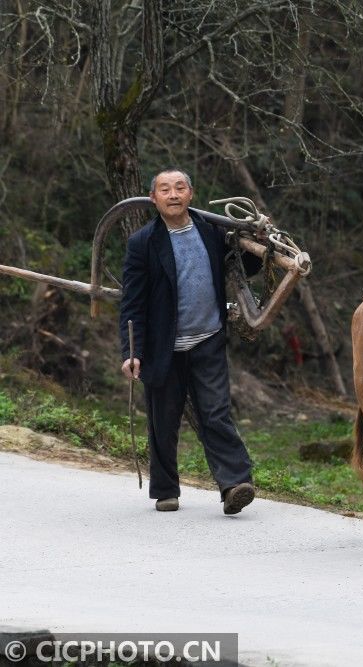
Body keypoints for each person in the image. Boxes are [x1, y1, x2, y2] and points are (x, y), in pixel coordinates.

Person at [119, 168, 258, 514]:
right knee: (163, 421)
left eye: (180, 187)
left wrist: (259, 234)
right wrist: (131, 352)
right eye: (165, 189)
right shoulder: (143, 243)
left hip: (208, 338)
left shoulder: (212, 230)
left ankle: (235, 484)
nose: (173, 194)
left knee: (215, 413)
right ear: (154, 199)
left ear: (191, 194)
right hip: (161, 346)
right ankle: (166, 490)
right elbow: (132, 304)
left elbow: (245, 266)